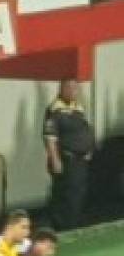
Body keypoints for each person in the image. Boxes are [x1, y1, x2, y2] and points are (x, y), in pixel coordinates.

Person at [43, 80, 95, 231]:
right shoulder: (55, 109)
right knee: (64, 194)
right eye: (70, 88)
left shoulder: (78, 108)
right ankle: (62, 227)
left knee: (78, 194)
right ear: (62, 89)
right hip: (66, 159)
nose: (74, 91)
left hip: (81, 160)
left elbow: (85, 129)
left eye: (76, 88)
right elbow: (50, 137)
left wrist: (88, 149)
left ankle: (74, 224)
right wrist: (55, 159)